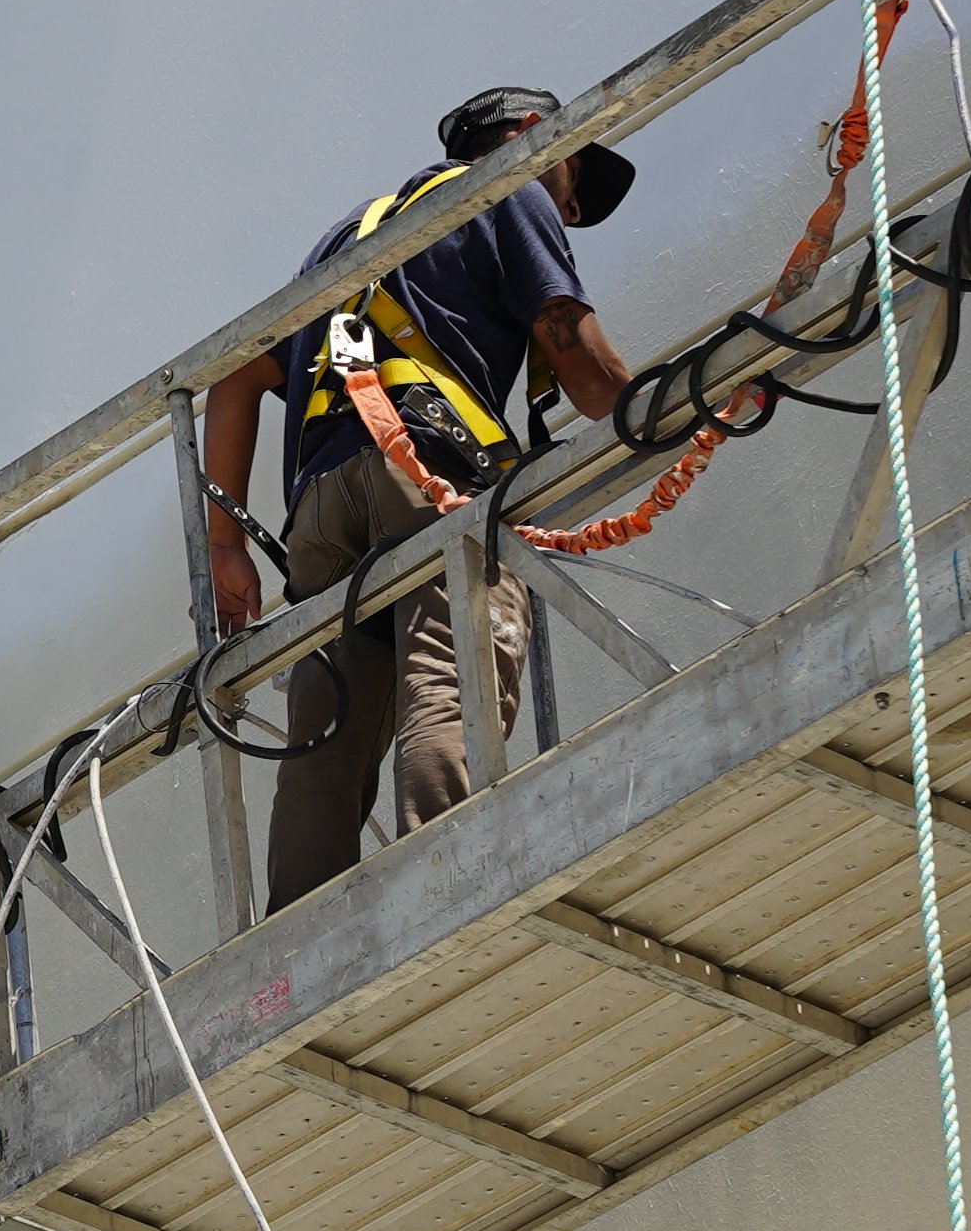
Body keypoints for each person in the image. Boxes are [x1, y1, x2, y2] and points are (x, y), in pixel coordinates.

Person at [195, 88, 641, 907]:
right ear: (534, 135)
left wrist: (224, 546)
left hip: (322, 511)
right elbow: (584, 371)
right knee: (450, 679)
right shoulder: (513, 185)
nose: (569, 211)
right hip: (428, 471)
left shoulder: (348, 239)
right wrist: (686, 406)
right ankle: (449, 902)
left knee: (326, 743)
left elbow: (233, 379)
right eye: (573, 183)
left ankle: (302, 943)